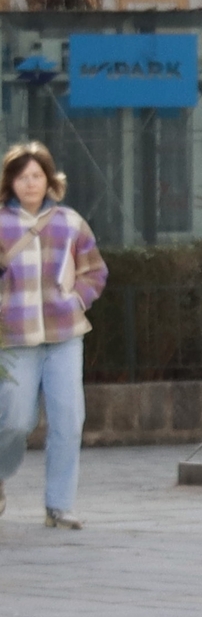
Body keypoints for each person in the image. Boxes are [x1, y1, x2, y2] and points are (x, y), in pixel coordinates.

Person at [0, 142, 106, 528]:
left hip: (64, 336)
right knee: (15, 420)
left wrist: (77, 298)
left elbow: (94, 270)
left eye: (37, 176)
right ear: (10, 182)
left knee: (68, 419)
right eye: (22, 177)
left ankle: (59, 506)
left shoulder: (69, 222)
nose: (30, 183)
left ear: (49, 180)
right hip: (14, 339)